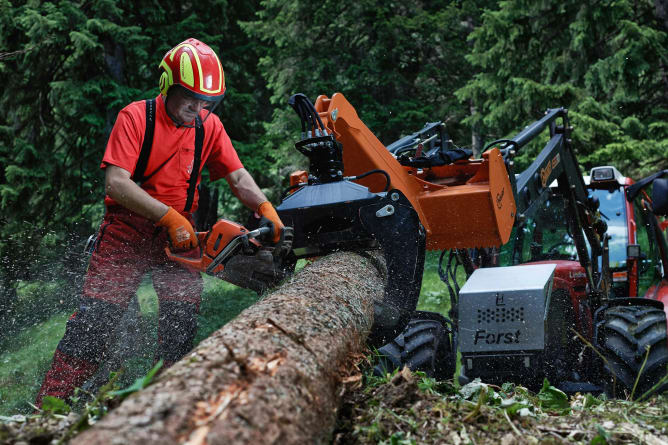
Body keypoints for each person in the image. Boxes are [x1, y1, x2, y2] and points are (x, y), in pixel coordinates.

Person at [35, 38, 284, 406]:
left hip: (179, 241)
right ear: (168, 86)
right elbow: (116, 183)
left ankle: (165, 407)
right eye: (190, 99)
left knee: (180, 327)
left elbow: (237, 175)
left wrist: (264, 207)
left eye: (205, 102)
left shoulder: (208, 126)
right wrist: (168, 217)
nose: (197, 109)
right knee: (93, 326)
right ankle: (46, 408)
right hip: (127, 233)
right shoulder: (136, 117)